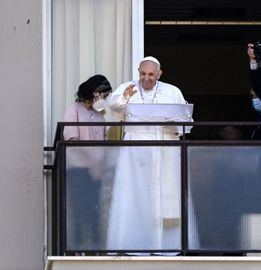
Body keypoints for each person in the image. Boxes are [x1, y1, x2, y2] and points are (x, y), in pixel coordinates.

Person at [106, 56, 192, 251]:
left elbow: (187, 120)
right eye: (143, 74)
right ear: (138, 72)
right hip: (136, 150)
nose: (146, 78)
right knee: (134, 195)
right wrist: (125, 97)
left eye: (151, 74)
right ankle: (134, 245)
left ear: (159, 74)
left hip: (165, 148)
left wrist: (174, 124)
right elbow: (113, 107)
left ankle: (165, 246)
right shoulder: (128, 87)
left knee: (163, 198)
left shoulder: (172, 91)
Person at [62, 74, 112, 250]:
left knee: (95, 212)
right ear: (94, 92)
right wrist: (91, 163)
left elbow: (105, 144)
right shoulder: (74, 109)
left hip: (97, 173)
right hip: (79, 170)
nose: (105, 99)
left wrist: (101, 166)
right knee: (79, 210)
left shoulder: (100, 116)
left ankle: (95, 249)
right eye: (103, 95)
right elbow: (72, 139)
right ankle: (77, 250)